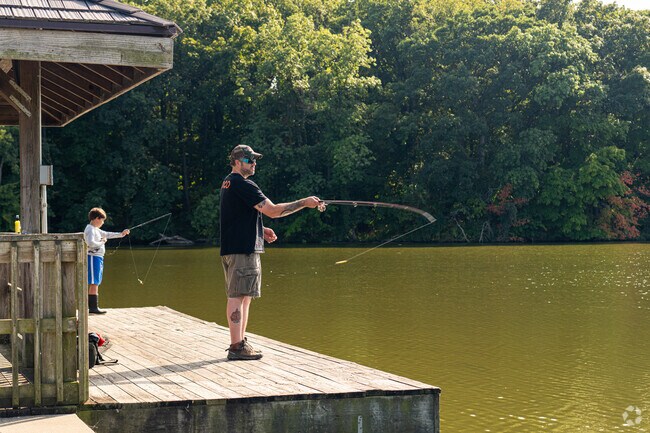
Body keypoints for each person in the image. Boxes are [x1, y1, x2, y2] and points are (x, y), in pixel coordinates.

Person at [220, 144, 324, 361]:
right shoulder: (243, 183)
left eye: (255, 160)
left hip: (236, 247)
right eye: (250, 160)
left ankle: (240, 342)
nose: (254, 163)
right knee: (238, 296)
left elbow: (238, 215)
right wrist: (304, 203)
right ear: (238, 162)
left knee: (244, 297)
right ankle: (236, 346)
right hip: (242, 250)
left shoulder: (229, 183)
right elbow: (274, 211)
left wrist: (260, 229)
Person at [84, 207, 130, 314]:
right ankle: (93, 308)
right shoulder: (90, 229)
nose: (103, 222)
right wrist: (102, 242)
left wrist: (121, 234)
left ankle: (94, 307)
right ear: (96, 218)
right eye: (102, 220)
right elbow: (90, 244)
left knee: (96, 282)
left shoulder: (96, 230)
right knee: (94, 282)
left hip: (98, 258)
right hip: (92, 257)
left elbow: (107, 234)